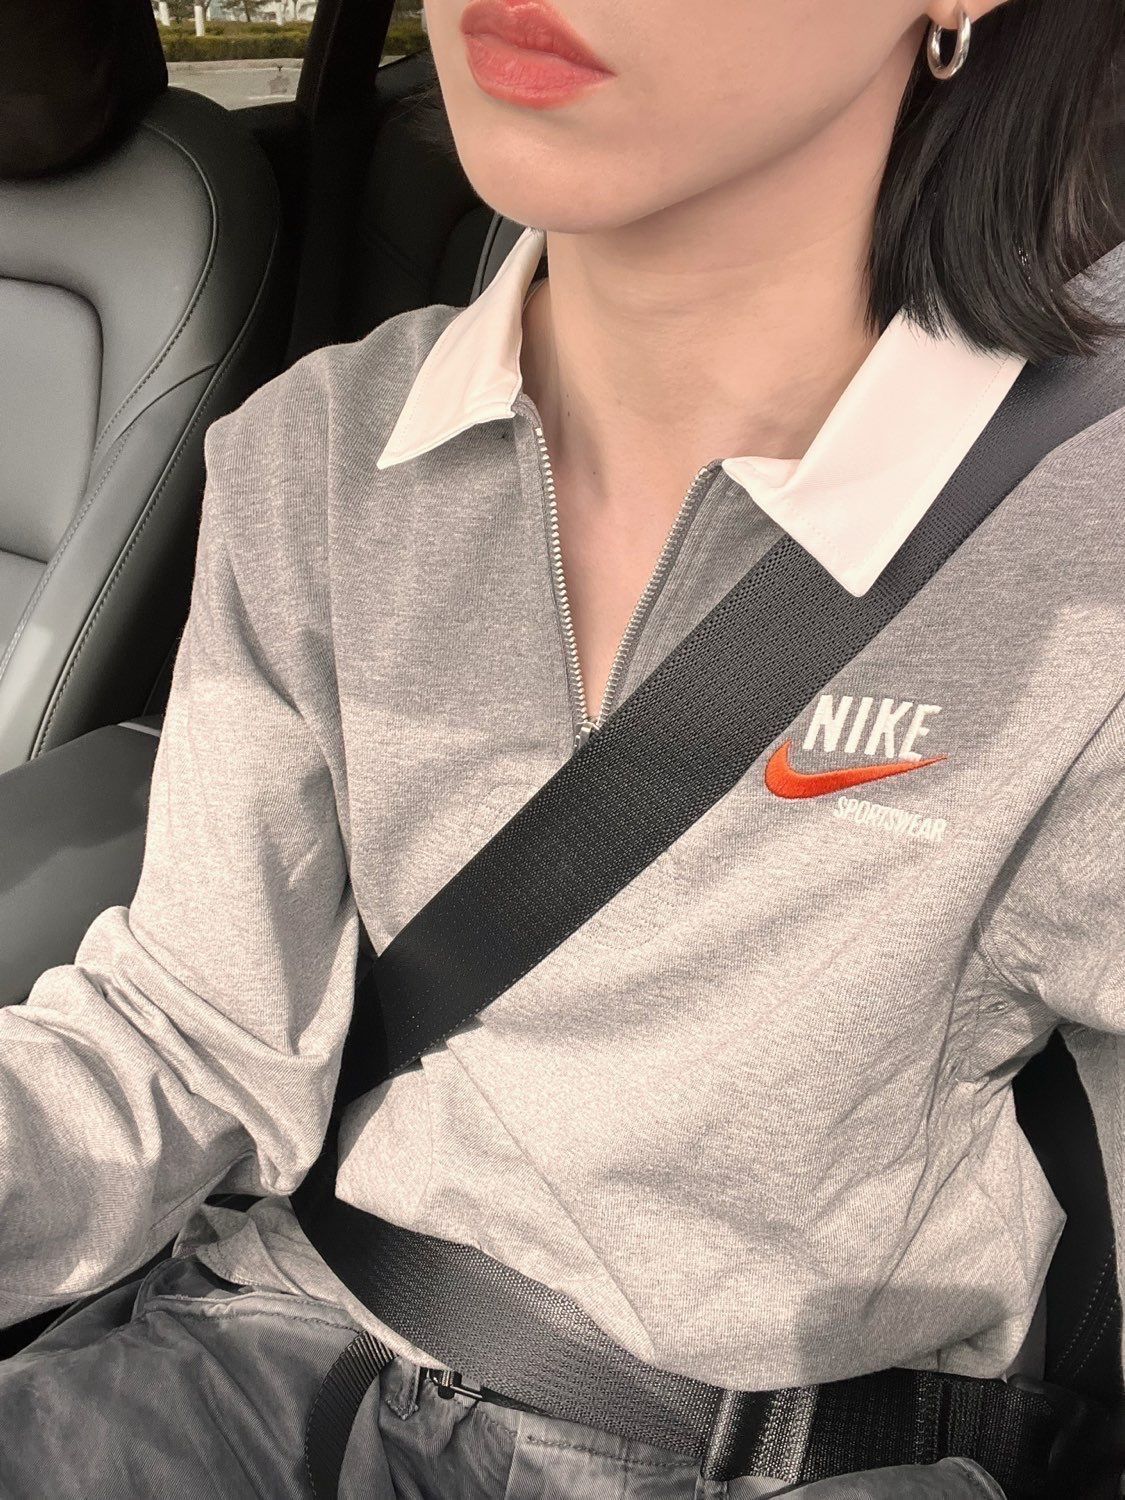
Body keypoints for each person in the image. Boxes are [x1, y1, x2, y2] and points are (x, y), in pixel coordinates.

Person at [0, 0, 1123, 1496]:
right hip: (266, 1353)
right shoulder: (313, 451)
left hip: (777, 1451)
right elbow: (193, 1026)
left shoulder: (1087, 549)